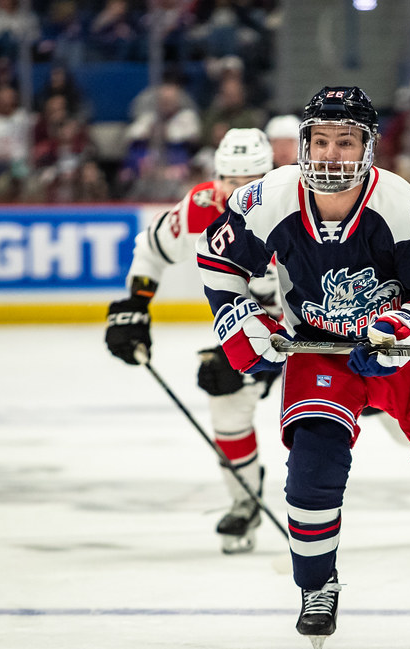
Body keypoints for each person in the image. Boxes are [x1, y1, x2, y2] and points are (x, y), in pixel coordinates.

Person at [195, 86, 410, 649]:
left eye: (346, 141)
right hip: (320, 348)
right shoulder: (269, 198)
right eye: (321, 140)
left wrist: (405, 334)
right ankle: (317, 586)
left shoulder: (401, 207)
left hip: (407, 352)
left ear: (367, 147)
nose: (332, 154)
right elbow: (217, 259)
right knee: (312, 464)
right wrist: (240, 325)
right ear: (305, 144)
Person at [105, 128, 278, 554]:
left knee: (400, 419)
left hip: (317, 326)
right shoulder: (204, 207)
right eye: (230, 180)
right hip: (257, 327)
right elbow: (152, 248)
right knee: (224, 388)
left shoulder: (295, 203)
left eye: (250, 180)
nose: (238, 191)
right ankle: (244, 502)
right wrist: (134, 304)